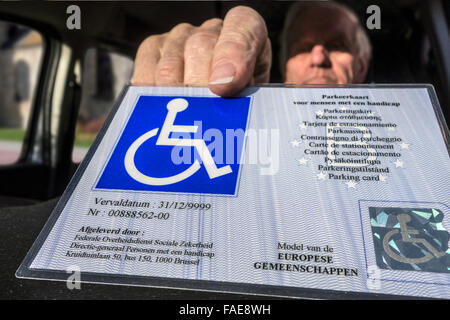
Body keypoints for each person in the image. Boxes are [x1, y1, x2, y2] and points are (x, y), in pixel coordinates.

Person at [131, 1, 371, 97]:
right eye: (303, 48)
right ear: (283, 66)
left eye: (336, 46)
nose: (318, 58)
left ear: (362, 65)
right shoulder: (251, 136)